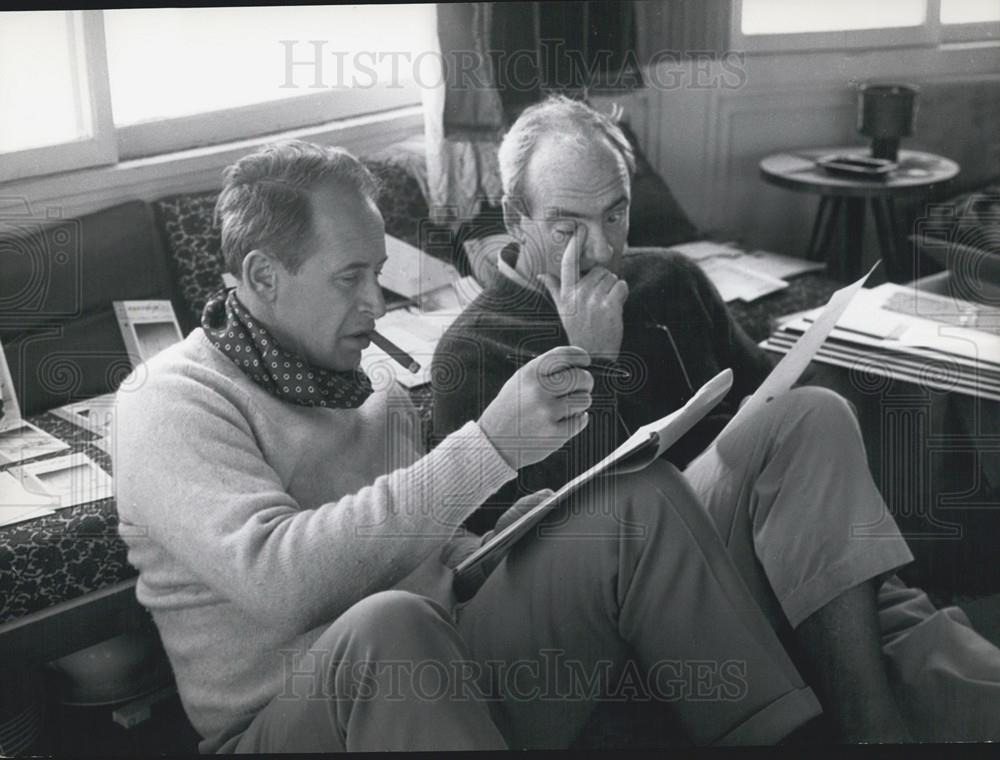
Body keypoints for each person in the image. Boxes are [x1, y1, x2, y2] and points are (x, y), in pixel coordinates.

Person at [113, 140, 827, 753]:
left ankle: (791, 739)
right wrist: (489, 448)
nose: (377, 302)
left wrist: (499, 537)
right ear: (265, 277)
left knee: (633, 501)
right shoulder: (170, 401)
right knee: (389, 625)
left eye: (378, 271)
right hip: (287, 721)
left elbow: (414, 553)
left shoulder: (369, 382)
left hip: (439, 660)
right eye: (349, 278)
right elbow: (282, 582)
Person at [431, 94, 1000, 743]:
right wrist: (594, 364)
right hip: (646, 583)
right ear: (515, 217)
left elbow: (766, 406)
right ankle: (871, 711)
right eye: (567, 226)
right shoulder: (474, 353)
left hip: (751, 540)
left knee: (818, 415)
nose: (600, 247)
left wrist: (823, 366)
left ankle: (881, 706)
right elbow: (535, 558)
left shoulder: (668, 277)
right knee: (875, 613)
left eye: (616, 213)